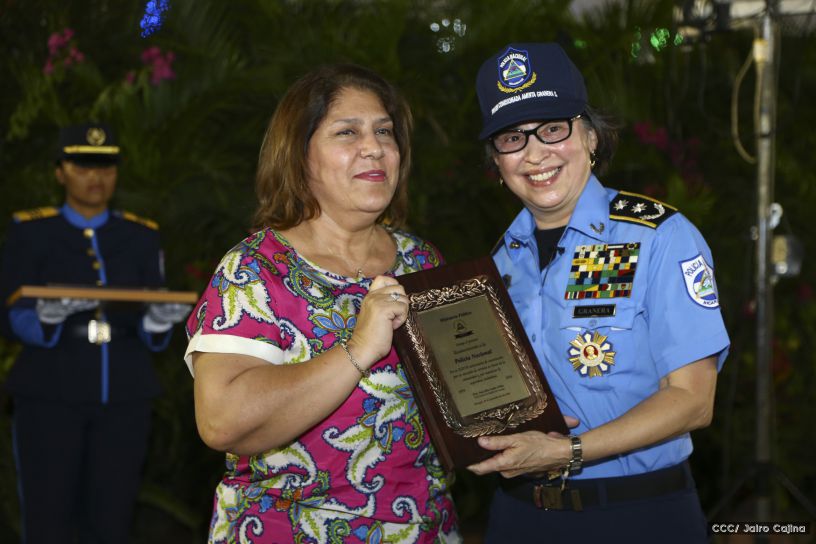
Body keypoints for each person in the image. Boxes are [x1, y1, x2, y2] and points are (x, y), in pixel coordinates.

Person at [184, 64, 460, 543]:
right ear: (300, 155)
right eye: (347, 132)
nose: (373, 147)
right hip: (287, 529)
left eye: (385, 132)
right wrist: (357, 349)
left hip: (423, 529)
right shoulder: (256, 269)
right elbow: (220, 420)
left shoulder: (421, 260)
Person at [466, 43, 730, 542]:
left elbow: (694, 402)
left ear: (589, 135)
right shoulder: (500, 263)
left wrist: (570, 452)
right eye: (511, 137)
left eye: (552, 128)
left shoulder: (661, 237)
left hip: (639, 515)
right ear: (496, 162)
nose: (534, 152)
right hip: (518, 516)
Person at [0, 122, 190, 543]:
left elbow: (153, 308)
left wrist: (156, 324)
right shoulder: (31, 231)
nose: (96, 177)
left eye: (105, 166)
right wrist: (45, 319)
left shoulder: (141, 235)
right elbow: (9, 311)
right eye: (83, 165)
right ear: (59, 171)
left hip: (123, 390)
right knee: (47, 517)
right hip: (50, 389)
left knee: (113, 518)